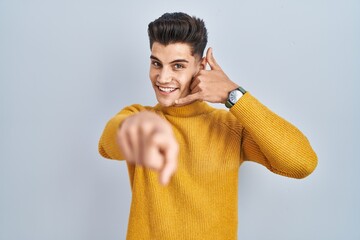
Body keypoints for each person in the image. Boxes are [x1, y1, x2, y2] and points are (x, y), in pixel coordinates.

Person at [98, 12, 318, 240]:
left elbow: (303, 163)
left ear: (201, 66)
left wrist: (234, 96)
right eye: (156, 64)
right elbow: (107, 146)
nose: (163, 78)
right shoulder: (138, 116)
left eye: (177, 66)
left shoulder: (230, 128)